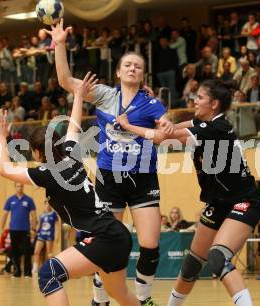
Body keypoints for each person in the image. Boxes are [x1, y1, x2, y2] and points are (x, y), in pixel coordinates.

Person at [46, 19, 173, 306]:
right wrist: (60, 44)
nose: (132, 68)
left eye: (137, 66)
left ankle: (144, 298)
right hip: (108, 178)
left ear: (142, 75)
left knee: (151, 245)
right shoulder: (104, 95)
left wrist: (165, 126)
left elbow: (163, 127)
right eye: (127, 65)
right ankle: (99, 298)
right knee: (105, 245)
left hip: (143, 178)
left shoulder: (151, 102)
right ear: (118, 72)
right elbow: (66, 81)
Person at [0, 72, 140, 306]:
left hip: (104, 237)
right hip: (117, 234)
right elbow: (73, 125)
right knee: (119, 294)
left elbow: (4, 169)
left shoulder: (46, 172)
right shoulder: (72, 154)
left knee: (49, 274)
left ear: (38, 153)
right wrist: (79, 96)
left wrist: (1, 138)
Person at [116, 79, 260, 306]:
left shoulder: (216, 128)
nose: (195, 100)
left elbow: (163, 135)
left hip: (243, 202)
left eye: (201, 98)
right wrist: (152, 103)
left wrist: (129, 126)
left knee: (217, 258)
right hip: (217, 202)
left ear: (214, 104)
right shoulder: (202, 123)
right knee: (192, 263)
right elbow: (169, 127)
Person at [0, 183, 37, 278]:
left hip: (25, 230)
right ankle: (17, 272)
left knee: (27, 251)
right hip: (13, 230)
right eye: (17, 186)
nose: (19, 188)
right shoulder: (10, 200)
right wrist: (1, 228)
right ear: (15, 187)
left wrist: (33, 228)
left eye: (21, 186)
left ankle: (27, 273)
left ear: (23, 187)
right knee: (15, 251)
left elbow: (33, 215)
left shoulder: (29, 200)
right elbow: (5, 215)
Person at [32, 200, 59, 274]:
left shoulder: (54, 214)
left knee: (49, 253)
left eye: (49, 204)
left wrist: (57, 236)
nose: (47, 206)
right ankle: (35, 268)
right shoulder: (42, 215)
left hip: (49, 235)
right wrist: (34, 231)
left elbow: (57, 226)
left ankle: (50, 268)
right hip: (41, 235)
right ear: (44, 205)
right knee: (36, 251)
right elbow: (39, 227)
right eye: (46, 204)